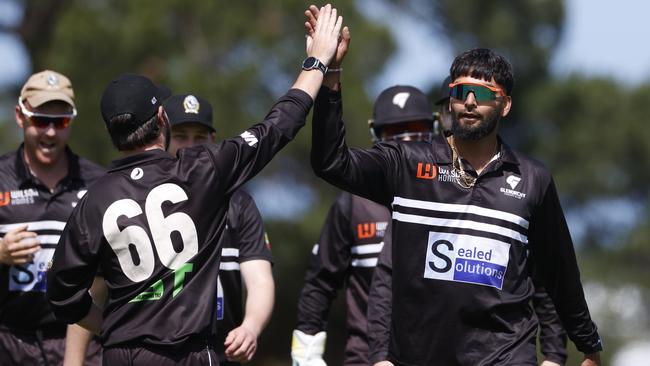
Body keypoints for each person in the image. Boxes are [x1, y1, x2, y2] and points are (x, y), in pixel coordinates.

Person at [46, 5, 343, 365]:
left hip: (120, 355)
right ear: (161, 118)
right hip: (187, 354)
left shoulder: (94, 199)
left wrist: (109, 325)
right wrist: (317, 62)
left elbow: (62, 294)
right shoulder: (201, 171)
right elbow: (279, 125)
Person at [310, 44, 602, 365]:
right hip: (420, 354)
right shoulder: (408, 163)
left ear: (504, 105)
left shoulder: (534, 179)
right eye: (462, 91)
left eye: (484, 93)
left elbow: (559, 271)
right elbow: (331, 163)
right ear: (451, 100)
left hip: (507, 353)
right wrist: (331, 75)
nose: (471, 102)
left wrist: (586, 345)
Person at [291, 85, 435, 366]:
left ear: (436, 130)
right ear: (375, 135)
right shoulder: (353, 204)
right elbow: (320, 281)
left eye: (416, 130)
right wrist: (306, 349)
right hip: (365, 357)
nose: (405, 142)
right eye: (393, 134)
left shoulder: (454, 196)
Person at [0, 70, 105, 366]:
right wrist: (1, 252)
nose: (49, 132)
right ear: (20, 117)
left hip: (83, 346)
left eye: (60, 122)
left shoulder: (99, 183)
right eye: (40, 120)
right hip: (9, 343)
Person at [163, 93, 275, 365]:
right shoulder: (143, 199)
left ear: (214, 141)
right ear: (162, 138)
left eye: (200, 137)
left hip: (222, 352)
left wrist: (250, 327)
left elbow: (260, 279)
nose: (191, 146)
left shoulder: (240, 203)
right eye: (181, 136)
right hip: (158, 352)